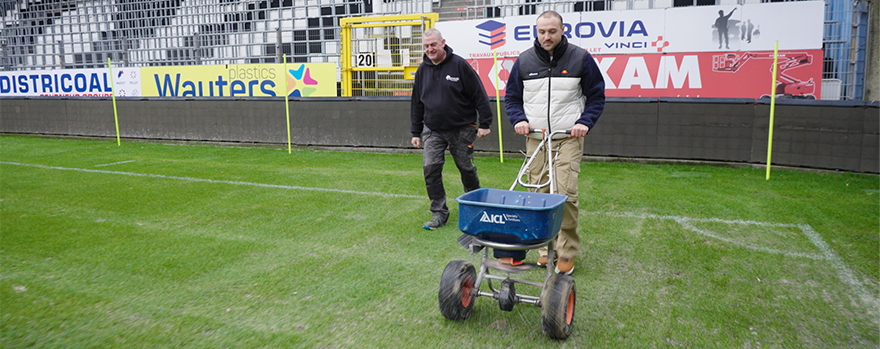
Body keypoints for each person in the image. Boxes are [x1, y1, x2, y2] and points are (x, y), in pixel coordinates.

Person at [504, 11, 605, 275]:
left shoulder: (581, 58)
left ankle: (566, 252)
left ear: (562, 29)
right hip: (535, 138)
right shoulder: (524, 60)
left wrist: (585, 121)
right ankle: (543, 249)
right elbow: (512, 98)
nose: (546, 36)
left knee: (564, 194)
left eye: (552, 31)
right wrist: (518, 120)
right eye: (541, 32)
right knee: (536, 194)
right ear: (536, 32)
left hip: (568, 138)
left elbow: (596, 96)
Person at [411, 28, 493, 230]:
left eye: (433, 45)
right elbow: (416, 103)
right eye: (426, 46)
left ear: (442, 43)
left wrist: (485, 123)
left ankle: (475, 207)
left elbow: (479, 94)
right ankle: (439, 213)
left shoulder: (460, 65)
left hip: (462, 128)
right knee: (430, 168)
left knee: (466, 168)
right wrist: (415, 131)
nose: (430, 49)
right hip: (433, 129)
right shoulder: (422, 70)